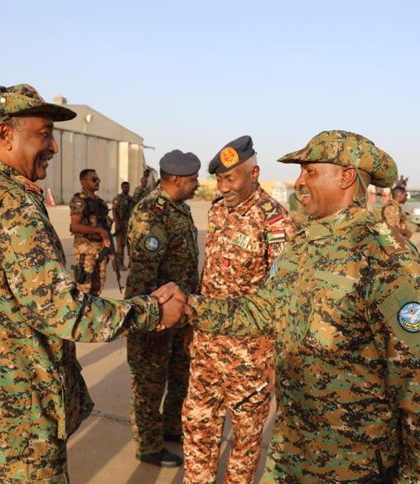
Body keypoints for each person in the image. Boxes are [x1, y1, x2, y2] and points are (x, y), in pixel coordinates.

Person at [155, 130, 420, 482]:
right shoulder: (304, 246)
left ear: (346, 176)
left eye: (310, 171)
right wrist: (191, 307)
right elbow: (262, 310)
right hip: (290, 453)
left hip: (350, 465)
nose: (299, 181)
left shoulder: (386, 259)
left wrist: (415, 474)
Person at [0, 84, 187, 482]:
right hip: (17, 413)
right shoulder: (12, 203)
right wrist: (154, 311)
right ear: (5, 135)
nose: (53, 147)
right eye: (44, 134)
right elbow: (65, 312)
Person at [183, 135, 292, 483]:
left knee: (245, 443)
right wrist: (193, 328)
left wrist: (278, 358)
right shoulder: (217, 209)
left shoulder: (276, 222)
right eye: (219, 179)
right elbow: (210, 272)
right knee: (197, 428)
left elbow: (282, 299)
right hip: (206, 349)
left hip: (250, 356)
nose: (223, 186)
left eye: (231, 178)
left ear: (255, 173)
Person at [126, 149, 201, 467]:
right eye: (194, 179)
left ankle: (171, 428)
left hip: (179, 316)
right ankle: (149, 446)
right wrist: (148, 321)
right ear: (177, 179)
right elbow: (143, 276)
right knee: (150, 384)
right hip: (156, 318)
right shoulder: (151, 213)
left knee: (179, 376)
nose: (198, 184)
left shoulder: (179, 208)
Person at [69, 169, 111, 296]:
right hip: (85, 249)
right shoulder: (79, 200)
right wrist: (99, 230)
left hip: (100, 250)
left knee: (98, 288)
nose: (97, 182)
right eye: (94, 179)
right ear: (83, 182)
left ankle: (93, 314)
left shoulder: (101, 203)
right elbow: (75, 226)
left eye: (98, 179)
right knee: (84, 288)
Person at [112, 180, 135, 268]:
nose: (127, 189)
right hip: (121, 224)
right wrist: (117, 223)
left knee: (130, 244)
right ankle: (120, 263)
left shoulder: (131, 198)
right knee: (120, 245)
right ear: (122, 188)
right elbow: (114, 211)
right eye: (125, 187)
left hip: (129, 225)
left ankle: (131, 263)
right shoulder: (118, 198)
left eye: (128, 187)